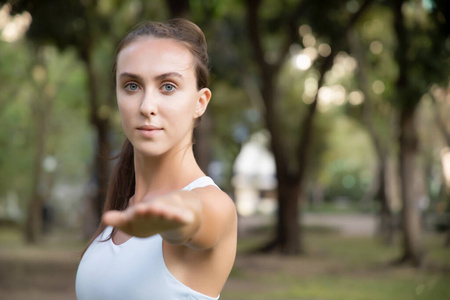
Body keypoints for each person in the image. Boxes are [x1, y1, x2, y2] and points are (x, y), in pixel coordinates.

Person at [75, 19, 237, 300]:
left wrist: (181, 216)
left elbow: (197, 216)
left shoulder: (215, 204)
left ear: (200, 102)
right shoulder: (123, 207)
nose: (147, 106)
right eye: (132, 86)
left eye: (168, 86)